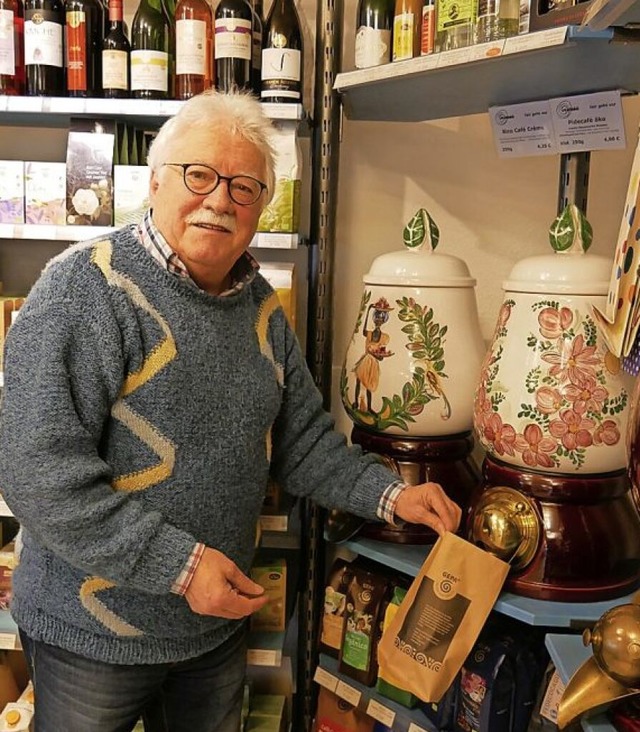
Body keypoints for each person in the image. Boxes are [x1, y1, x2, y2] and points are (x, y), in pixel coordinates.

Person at [0, 90, 461, 732]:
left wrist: (392, 498)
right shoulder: (82, 290)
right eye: (200, 175)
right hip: (91, 642)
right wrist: (182, 568)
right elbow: (35, 474)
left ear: (262, 207)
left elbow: (302, 443)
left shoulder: (261, 309)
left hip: (211, 631)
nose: (220, 200)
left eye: (244, 187)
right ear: (155, 180)